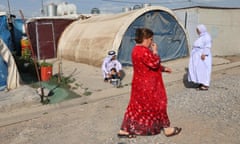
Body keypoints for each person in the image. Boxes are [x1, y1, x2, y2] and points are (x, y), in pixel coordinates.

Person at [117, 28, 181, 138]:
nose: (151, 42)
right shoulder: (144, 51)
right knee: (160, 103)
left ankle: (124, 130)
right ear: (145, 39)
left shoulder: (135, 50)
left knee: (136, 106)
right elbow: (154, 63)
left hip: (139, 84)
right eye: (151, 39)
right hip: (149, 85)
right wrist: (155, 51)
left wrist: (164, 69)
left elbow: (148, 64)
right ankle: (167, 128)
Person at [188, 24, 212, 90]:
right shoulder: (201, 37)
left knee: (204, 70)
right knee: (199, 70)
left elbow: (208, 46)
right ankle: (201, 82)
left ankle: (205, 85)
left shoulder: (207, 36)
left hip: (202, 56)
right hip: (198, 55)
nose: (197, 31)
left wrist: (204, 54)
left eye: (198, 30)